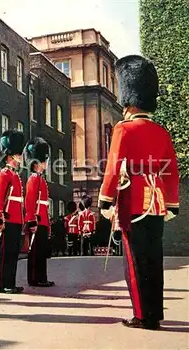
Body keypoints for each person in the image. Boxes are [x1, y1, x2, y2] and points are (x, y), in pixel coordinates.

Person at [98, 55, 179, 330]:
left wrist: (105, 200)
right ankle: (155, 313)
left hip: (132, 202)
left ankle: (142, 315)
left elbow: (113, 167)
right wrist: (171, 203)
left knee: (134, 261)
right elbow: (170, 172)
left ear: (128, 100)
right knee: (154, 259)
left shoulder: (124, 129)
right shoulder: (162, 132)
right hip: (156, 204)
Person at [0, 129, 25, 294]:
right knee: (6, 254)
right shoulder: (4, 174)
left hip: (16, 220)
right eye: (18, 154)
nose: (21, 157)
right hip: (8, 220)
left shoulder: (15, 175)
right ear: (11, 155)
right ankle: (2, 284)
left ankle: (10, 283)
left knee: (13, 254)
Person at [24, 137, 55, 287]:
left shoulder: (41, 179)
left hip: (42, 220)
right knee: (35, 252)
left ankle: (41, 277)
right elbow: (30, 202)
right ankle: (35, 278)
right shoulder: (33, 179)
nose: (46, 163)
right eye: (44, 161)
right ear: (36, 163)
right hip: (36, 220)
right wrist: (31, 220)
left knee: (41, 252)